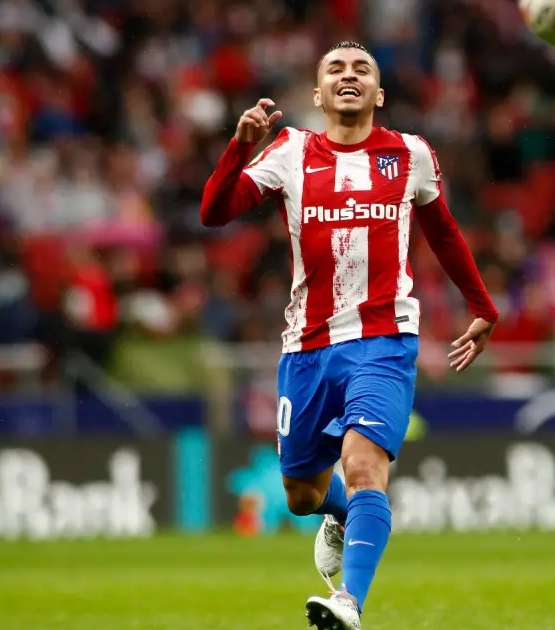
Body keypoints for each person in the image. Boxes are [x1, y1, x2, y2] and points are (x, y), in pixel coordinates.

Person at [201, 41, 499, 630]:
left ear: (378, 93)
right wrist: (240, 146)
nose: (349, 75)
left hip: (385, 339)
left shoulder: (411, 154)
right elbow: (214, 212)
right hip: (306, 346)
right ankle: (339, 516)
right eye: (335, 69)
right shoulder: (290, 151)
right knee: (302, 495)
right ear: (317, 95)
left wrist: (482, 306)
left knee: (364, 467)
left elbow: (443, 231)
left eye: (362, 69)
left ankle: (349, 602)